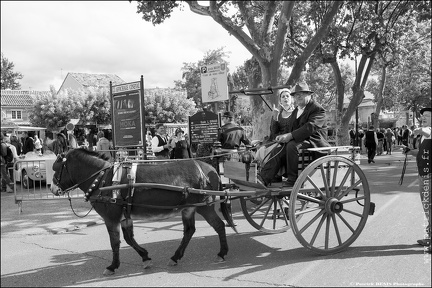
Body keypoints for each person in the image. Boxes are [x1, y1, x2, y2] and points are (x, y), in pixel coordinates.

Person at [257, 82, 331, 187]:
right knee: (278, 149)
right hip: (300, 141)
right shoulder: (297, 110)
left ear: (309, 95)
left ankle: (293, 179)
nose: (298, 96)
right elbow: (291, 128)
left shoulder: (317, 109)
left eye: (302, 93)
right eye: (296, 95)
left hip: (314, 143)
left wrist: (290, 136)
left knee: (291, 146)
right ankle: (264, 178)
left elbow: (310, 127)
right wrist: (282, 136)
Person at [403, 107, 431, 254]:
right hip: (423, 174)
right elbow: (420, 153)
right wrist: (409, 151)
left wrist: (419, 130)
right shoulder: (424, 136)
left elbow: (427, 131)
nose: (423, 117)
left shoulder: (428, 132)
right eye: (422, 116)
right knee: (427, 207)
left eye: (427, 115)